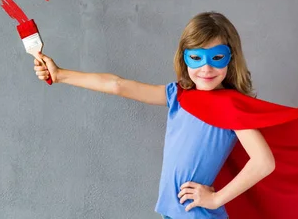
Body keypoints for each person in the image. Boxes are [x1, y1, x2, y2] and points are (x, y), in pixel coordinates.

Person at [32, 11, 275, 218]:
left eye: (217, 57)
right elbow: (118, 85)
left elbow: (264, 162)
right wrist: (60, 74)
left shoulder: (232, 107)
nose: (206, 68)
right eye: (197, 57)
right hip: (173, 212)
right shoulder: (178, 95)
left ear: (231, 58)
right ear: (184, 57)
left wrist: (215, 199)